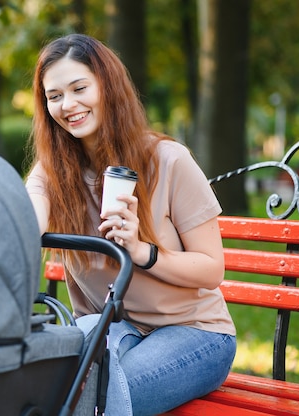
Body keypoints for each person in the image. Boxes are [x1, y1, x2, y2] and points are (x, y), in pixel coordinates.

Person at [25, 34, 236, 415]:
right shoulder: (53, 174)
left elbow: (212, 269)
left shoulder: (167, 160)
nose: (68, 104)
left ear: (107, 86)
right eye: (54, 96)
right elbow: (29, 219)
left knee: (90, 399)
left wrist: (140, 251)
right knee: (46, 389)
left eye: (79, 88)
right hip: (113, 329)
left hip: (195, 333)